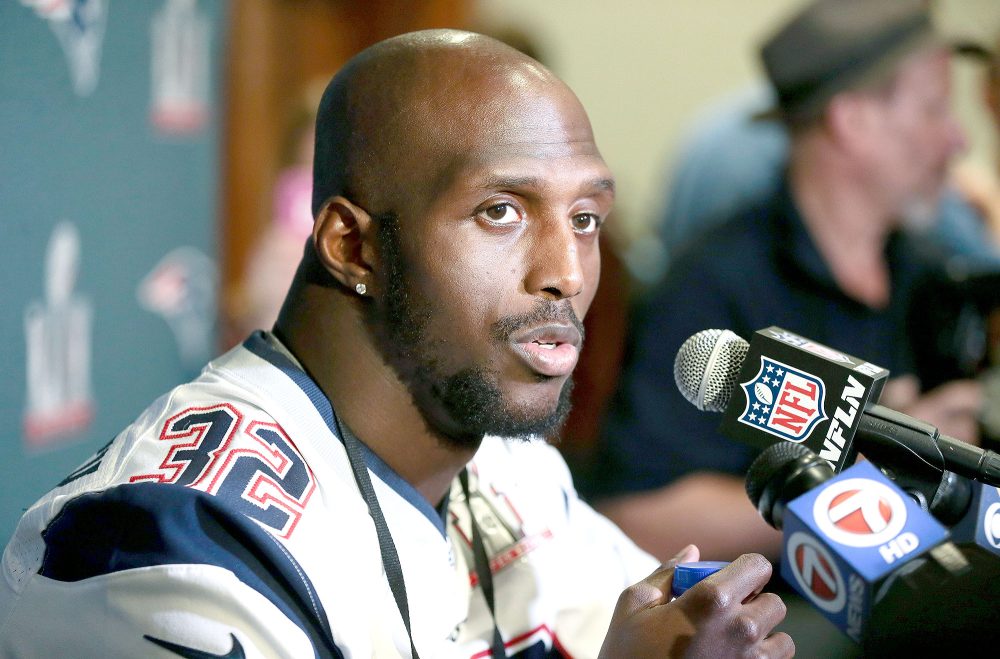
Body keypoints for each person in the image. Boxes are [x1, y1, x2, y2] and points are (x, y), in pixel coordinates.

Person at [0, 30, 794, 658]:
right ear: (353, 245)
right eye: (501, 212)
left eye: (584, 217)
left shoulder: (509, 467)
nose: (566, 273)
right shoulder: (166, 542)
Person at [580, 0, 985, 564]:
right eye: (934, 110)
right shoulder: (715, 286)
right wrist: (858, 486)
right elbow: (638, 518)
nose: (957, 141)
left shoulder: (932, 271)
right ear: (854, 120)